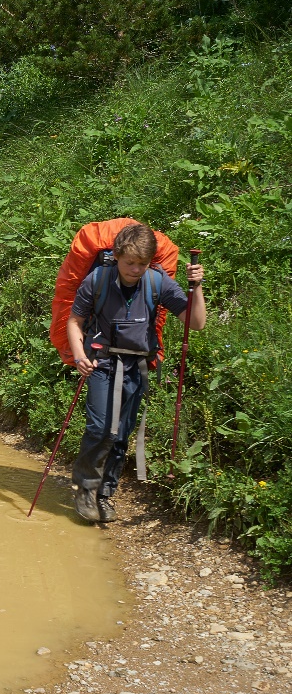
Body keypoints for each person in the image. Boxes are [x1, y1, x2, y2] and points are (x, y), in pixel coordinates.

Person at [66, 222, 205, 523]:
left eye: (142, 264)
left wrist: (197, 287)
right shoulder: (97, 280)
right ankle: (86, 490)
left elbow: (196, 323)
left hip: (136, 366)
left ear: (150, 262)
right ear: (116, 256)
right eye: (129, 262)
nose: (135, 269)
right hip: (102, 362)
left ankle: (105, 495)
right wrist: (80, 356)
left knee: (121, 433)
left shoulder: (159, 282)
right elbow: (75, 321)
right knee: (100, 427)